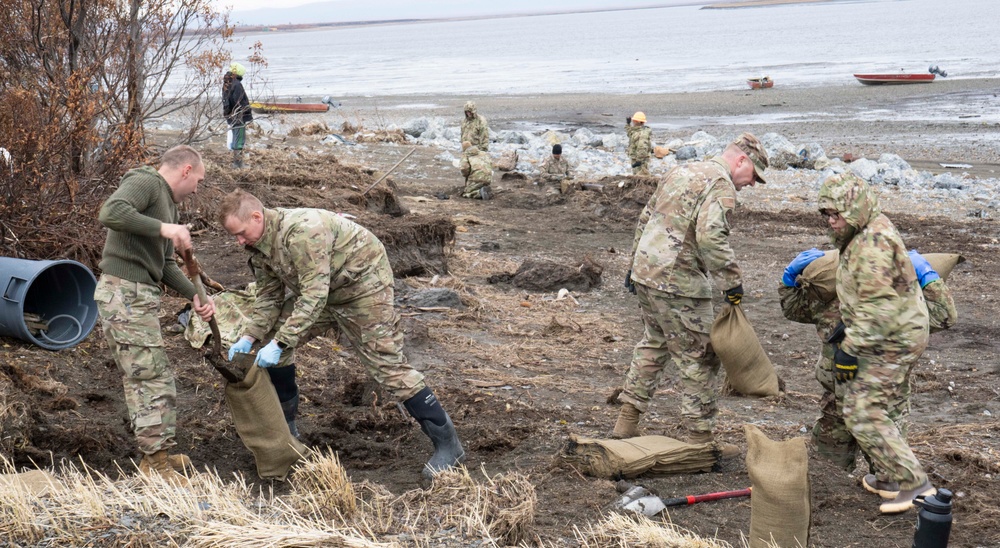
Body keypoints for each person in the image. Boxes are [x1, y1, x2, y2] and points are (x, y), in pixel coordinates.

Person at [218, 189, 465, 480]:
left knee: (387, 365)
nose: (239, 241)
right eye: (234, 236)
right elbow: (269, 296)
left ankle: (449, 446)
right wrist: (250, 336)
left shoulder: (302, 232)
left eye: (241, 233)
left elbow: (313, 296)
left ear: (257, 217)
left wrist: (281, 341)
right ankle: (288, 433)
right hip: (325, 291)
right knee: (274, 338)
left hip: (362, 287)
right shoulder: (258, 243)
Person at [612, 133, 770, 457]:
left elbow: (646, 217)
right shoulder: (721, 185)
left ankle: (625, 423)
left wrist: (633, 267)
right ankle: (700, 441)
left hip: (647, 273)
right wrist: (732, 284)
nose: (752, 184)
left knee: (654, 342)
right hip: (678, 283)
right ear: (741, 160)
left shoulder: (680, 170)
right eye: (754, 175)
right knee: (700, 355)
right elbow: (711, 237)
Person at [779, 247, 956, 495]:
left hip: (849, 394)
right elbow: (943, 316)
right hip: (870, 399)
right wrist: (928, 277)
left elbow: (793, 308)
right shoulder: (901, 297)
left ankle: (878, 483)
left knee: (831, 469)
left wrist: (788, 280)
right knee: (828, 470)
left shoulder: (832, 295)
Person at [94, 145, 216, 483]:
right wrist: (167, 230)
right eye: (198, 181)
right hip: (124, 294)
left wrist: (195, 296)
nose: (196, 190)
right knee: (151, 378)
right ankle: (155, 464)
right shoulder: (146, 181)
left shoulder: (169, 209)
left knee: (149, 376)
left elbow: (163, 265)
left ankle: (157, 453)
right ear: (186, 170)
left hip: (139, 295)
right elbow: (111, 211)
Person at [816, 172, 935, 514]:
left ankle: (916, 485)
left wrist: (850, 350)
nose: (831, 220)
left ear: (855, 207)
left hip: (891, 340)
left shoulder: (873, 244)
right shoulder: (865, 230)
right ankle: (888, 476)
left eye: (837, 213)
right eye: (826, 214)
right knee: (886, 403)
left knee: (862, 410)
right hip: (895, 333)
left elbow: (879, 307)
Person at [223, 62, 253, 169]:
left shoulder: (227, 83)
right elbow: (238, 102)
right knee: (239, 138)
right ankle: (237, 163)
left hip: (230, 114)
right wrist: (244, 112)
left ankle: (237, 162)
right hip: (238, 115)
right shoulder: (236, 84)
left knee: (236, 136)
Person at [626, 111, 653, 176]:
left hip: (640, 161)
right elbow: (630, 133)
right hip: (636, 159)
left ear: (637, 121)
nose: (633, 122)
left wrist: (639, 161)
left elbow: (642, 148)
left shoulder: (642, 134)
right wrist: (628, 124)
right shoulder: (637, 130)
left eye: (634, 120)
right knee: (637, 175)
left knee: (641, 177)